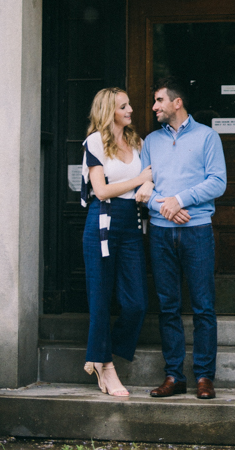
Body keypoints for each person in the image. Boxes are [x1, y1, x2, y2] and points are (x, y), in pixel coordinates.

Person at [137, 77, 227, 400]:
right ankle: (174, 375)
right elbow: (141, 187)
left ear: (177, 103)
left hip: (197, 231)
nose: (154, 107)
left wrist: (181, 200)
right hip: (161, 232)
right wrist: (167, 206)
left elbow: (218, 182)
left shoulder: (207, 137)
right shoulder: (150, 141)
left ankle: (204, 376)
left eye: (159, 100)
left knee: (204, 306)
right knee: (168, 305)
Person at [81, 87, 153, 397]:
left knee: (136, 302)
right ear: (109, 111)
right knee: (99, 301)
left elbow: (151, 174)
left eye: (129, 104)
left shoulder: (138, 142)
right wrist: (140, 180)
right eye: (124, 106)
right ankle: (105, 366)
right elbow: (100, 190)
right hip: (102, 224)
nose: (131, 109)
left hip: (131, 225)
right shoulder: (95, 142)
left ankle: (99, 353)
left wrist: (148, 182)